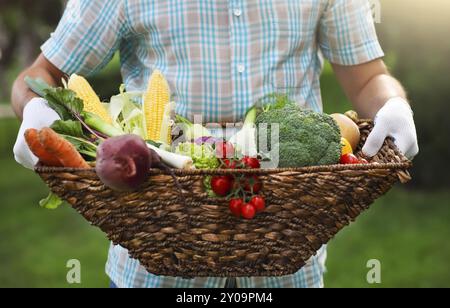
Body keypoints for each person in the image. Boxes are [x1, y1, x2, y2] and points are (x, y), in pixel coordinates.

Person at [11, 0, 418, 288]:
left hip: (289, 268)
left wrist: (394, 104)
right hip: (154, 273)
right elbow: (42, 73)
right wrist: (36, 110)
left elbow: (367, 79)